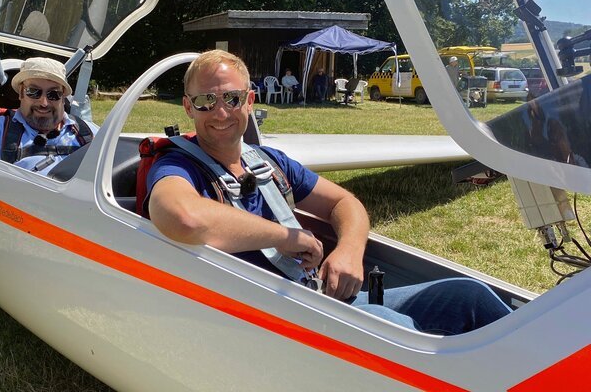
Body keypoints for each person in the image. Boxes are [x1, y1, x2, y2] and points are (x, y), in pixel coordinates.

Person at [146, 49, 511, 335]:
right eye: (206, 101)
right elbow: (183, 217)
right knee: (399, 330)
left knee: (470, 296)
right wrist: (283, 235)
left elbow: (345, 201)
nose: (221, 112)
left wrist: (350, 252)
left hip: (320, 298)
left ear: (250, 101)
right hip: (275, 321)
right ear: (188, 107)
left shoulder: (270, 161)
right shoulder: (177, 166)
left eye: (232, 98)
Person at [0, 57, 98, 174]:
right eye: (33, 92)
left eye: (53, 94)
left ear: (63, 97)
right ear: (21, 92)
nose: (44, 103)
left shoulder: (89, 133)